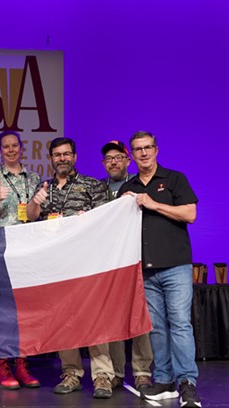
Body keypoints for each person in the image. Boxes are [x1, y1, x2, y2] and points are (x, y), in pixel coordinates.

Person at [26, 137, 115, 399]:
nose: (62, 158)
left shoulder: (92, 185)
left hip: (88, 263)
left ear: (75, 157)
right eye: (57, 155)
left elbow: (105, 220)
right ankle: (72, 372)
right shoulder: (43, 187)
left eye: (66, 154)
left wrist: (85, 221)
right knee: (64, 320)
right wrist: (36, 203)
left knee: (95, 319)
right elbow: (31, 218)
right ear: (51, 158)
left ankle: (102, 375)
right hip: (57, 265)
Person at [118, 131, 202, 408]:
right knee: (156, 329)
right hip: (145, 269)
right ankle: (164, 381)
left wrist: (153, 204)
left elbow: (190, 214)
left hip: (176, 265)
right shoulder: (127, 188)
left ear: (156, 150)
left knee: (179, 324)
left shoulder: (174, 179)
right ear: (131, 155)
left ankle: (187, 383)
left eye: (147, 147)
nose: (143, 153)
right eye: (137, 149)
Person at [0, 131, 41, 390]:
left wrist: (36, 203)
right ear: (0, 150)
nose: (11, 150)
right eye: (6, 146)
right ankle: (3, 364)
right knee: (4, 310)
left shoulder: (34, 178)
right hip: (1, 245)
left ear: (21, 147)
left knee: (26, 308)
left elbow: (33, 215)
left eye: (14, 145)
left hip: (27, 244)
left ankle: (23, 364)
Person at [99, 140, 153, 392]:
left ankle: (142, 371)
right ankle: (117, 372)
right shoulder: (97, 189)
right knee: (112, 318)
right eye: (108, 158)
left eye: (118, 157)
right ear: (103, 163)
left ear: (127, 160)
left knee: (138, 313)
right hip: (108, 262)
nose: (113, 162)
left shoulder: (138, 184)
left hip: (136, 258)